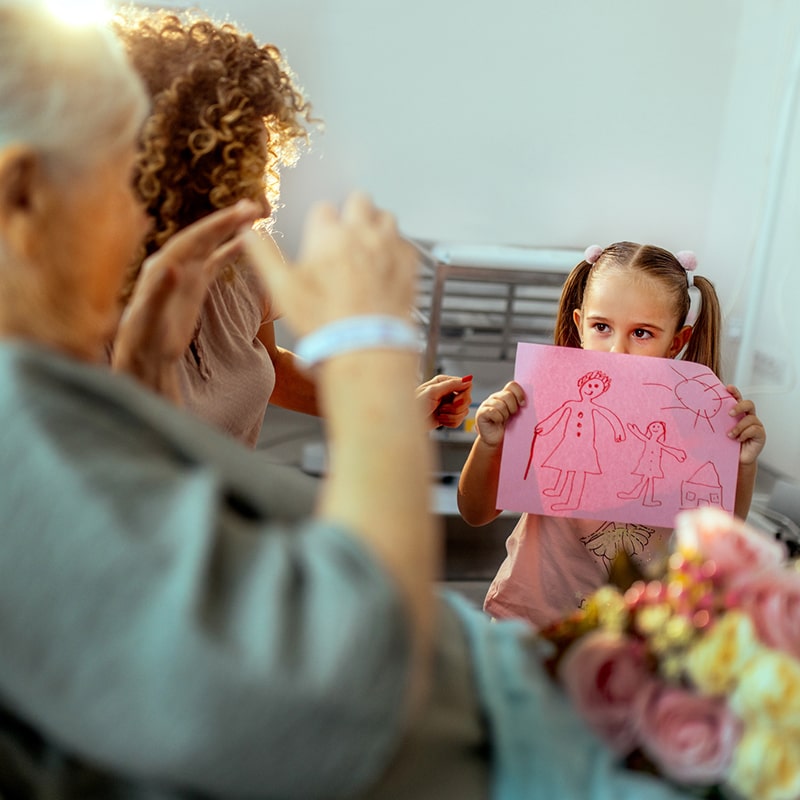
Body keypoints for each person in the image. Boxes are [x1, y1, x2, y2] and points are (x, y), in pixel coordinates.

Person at [0, 5, 701, 798]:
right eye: (127, 180)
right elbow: (348, 682)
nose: (156, 208)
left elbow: (172, 530)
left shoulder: (128, 337)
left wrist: (153, 384)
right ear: (23, 198)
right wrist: (369, 352)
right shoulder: (20, 435)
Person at [110, 7, 472, 446]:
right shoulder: (73, 312)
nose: (263, 207)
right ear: (166, 179)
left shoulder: (246, 257)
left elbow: (270, 365)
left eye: (262, 175)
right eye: (237, 184)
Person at [457, 242, 766, 629]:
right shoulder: (538, 404)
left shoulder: (694, 426)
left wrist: (742, 463)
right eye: (601, 327)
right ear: (579, 325)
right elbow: (475, 513)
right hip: (527, 623)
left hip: (626, 633)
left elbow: (718, 529)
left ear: (676, 341)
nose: (616, 350)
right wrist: (490, 443)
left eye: (641, 333)